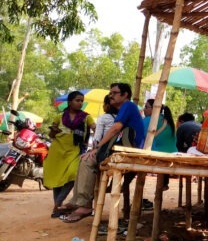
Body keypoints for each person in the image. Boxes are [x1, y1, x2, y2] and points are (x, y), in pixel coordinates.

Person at [59, 82, 145, 223]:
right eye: (110, 93)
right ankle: (78, 201)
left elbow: (115, 128)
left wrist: (98, 148)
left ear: (125, 95)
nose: (110, 96)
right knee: (85, 158)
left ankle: (84, 204)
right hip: (124, 148)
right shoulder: (125, 108)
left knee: (87, 159)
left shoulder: (128, 105)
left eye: (114, 93)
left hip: (128, 150)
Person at [44, 91, 96, 218]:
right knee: (57, 180)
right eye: (77, 100)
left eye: (81, 101)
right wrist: (53, 131)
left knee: (73, 175)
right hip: (57, 151)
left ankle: (57, 205)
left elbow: (96, 128)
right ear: (70, 102)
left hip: (75, 151)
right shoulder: (59, 117)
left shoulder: (86, 117)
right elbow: (51, 136)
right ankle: (58, 206)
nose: (80, 103)